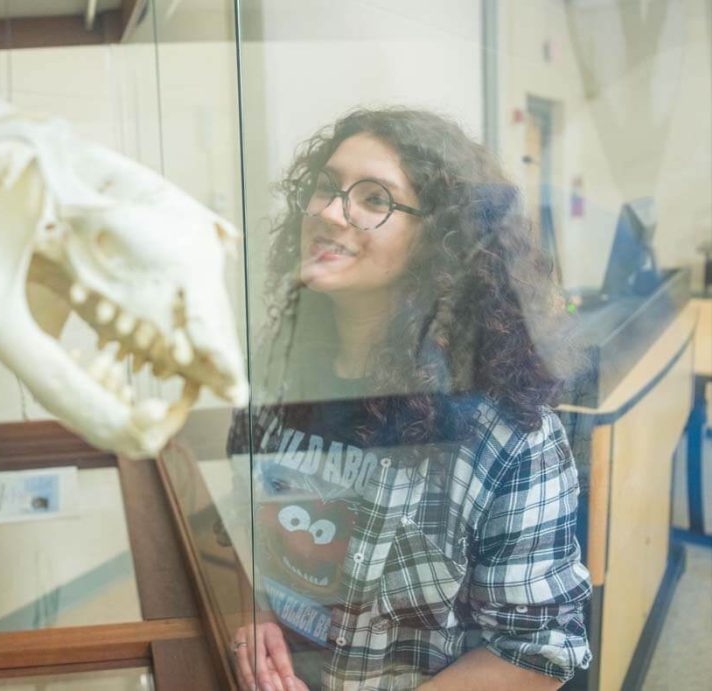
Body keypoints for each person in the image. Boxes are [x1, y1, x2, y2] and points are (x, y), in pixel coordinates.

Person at [229, 108, 592, 691]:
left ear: (440, 242)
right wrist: (246, 610)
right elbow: (241, 525)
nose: (327, 213)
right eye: (325, 187)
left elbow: (535, 654)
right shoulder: (274, 371)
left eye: (374, 200)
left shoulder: (508, 434)